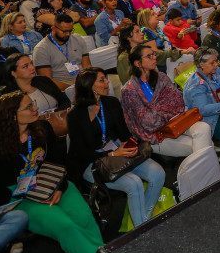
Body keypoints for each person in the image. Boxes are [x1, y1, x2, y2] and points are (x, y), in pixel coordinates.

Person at [0, 91, 103, 253]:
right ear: (12, 116)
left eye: (33, 103)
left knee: (84, 217)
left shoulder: (43, 128)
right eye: (29, 107)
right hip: (18, 196)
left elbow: (57, 162)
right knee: (64, 226)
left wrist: (60, 187)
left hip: (51, 181)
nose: (36, 108)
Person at [67, 68, 165, 227]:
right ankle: (143, 229)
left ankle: (143, 223)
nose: (107, 82)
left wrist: (130, 144)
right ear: (90, 86)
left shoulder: (111, 103)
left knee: (158, 173)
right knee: (134, 183)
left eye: (105, 78)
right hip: (91, 161)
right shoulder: (75, 116)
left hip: (116, 150)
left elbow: (124, 133)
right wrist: (111, 154)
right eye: (101, 80)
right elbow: (81, 152)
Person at [120, 45, 212, 157]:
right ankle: (207, 172)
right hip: (154, 135)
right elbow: (147, 123)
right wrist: (166, 111)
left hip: (176, 122)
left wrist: (155, 111)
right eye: (149, 56)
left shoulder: (161, 77)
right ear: (137, 63)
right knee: (204, 145)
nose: (154, 57)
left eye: (153, 54)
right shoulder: (130, 90)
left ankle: (204, 172)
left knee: (204, 128)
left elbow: (178, 103)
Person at [182, 47, 220, 139]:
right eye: (212, 63)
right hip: (211, 120)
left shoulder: (217, 71)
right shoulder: (195, 85)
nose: (216, 65)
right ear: (201, 65)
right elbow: (203, 110)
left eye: (216, 61)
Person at [0, 53, 71, 116]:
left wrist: (56, 115)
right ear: (13, 73)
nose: (32, 68)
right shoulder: (6, 93)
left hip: (57, 121)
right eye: (25, 66)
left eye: (31, 64)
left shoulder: (43, 80)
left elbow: (64, 101)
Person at [31, 14, 91, 90]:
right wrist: (75, 89)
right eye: (65, 31)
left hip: (82, 80)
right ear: (53, 28)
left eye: (70, 30)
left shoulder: (78, 40)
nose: (68, 34)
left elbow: (87, 66)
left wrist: (90, 81)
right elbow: (47, 82)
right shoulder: (41, 49)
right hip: (62, 84)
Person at [116, 22, 187, 85]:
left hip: (153, 82)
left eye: (140, 31)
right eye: (137, 32)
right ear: (128, 37)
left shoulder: (143, 49)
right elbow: (126, 81)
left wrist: (180, 52)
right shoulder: (123, 58)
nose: (142, 33)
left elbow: (160, 56)